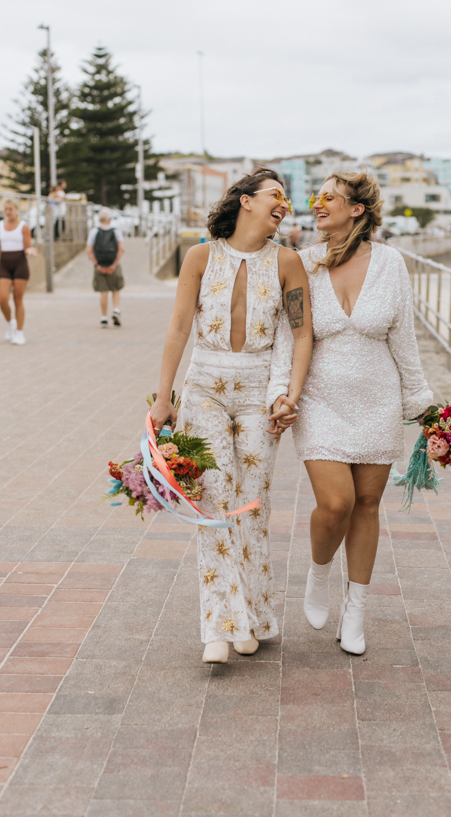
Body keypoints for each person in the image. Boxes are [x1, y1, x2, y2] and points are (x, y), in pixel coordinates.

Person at [148, 168, 312, 665]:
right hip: (205, 390)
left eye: (287, 199)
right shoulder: (200, 256)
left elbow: (303, 334)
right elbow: (179, 328)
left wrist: (291, 395)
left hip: (259, 390)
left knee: (253, 502)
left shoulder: (289, 262)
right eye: (274, 196)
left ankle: (255, 615)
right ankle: (219, 625)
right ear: (245, 201)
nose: (283, 205)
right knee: (215, 501)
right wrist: (163, 398)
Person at [283, 171, 433, 655]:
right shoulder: (300, 264)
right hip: (320, 400)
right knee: (336, 504)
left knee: (367, 505)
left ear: (358, 210)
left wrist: (421, 404)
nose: (318, 204)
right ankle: (319, 573)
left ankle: (357, 610)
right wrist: (281, 394)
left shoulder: (391, 263)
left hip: (378, 400)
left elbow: (404, 339)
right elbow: (287, 339)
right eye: (317, 197)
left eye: (330, 197)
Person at [0, 199, 35, 345]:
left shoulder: (23, 226)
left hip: (20, 264)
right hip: (4, 265)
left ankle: (20, 333)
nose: (8, 212)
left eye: (11, 209)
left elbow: (27, 246)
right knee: (2, 298)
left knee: (17, 299)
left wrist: (31, 251)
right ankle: (10, 323)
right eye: (6, 209)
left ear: (16, 210)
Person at [87, 209, 125, 327]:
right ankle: (116, 310)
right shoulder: (116, 231)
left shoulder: (94, 232)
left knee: (103, 291)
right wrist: (114, 265)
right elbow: (121, 249)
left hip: (100, 265)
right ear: (110, 219)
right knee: (116, 289)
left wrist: (97, 265)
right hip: (113, 265)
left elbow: (89, 251)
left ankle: (104, 318)